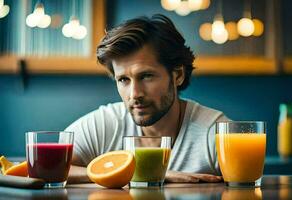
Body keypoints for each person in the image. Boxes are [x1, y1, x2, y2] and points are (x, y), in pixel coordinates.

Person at [66, 14, 228, 184]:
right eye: (123, 80)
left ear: (178, 75)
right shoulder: (105, 124)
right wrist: (141, 173)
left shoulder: (214, 132)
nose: (134, 94)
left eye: (146, 76)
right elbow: (39, 171)